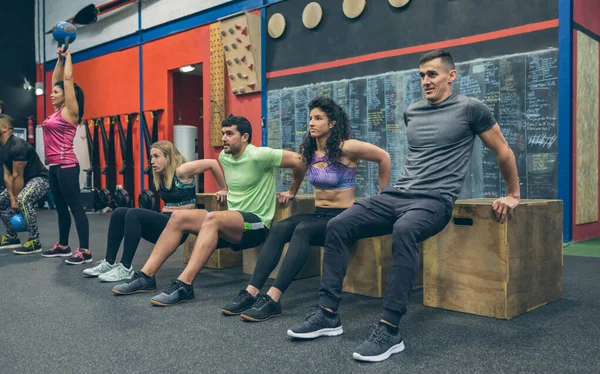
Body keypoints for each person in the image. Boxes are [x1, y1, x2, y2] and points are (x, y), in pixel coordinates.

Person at [287, 49, 521, 363]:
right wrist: (386, 198)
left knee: (405, 229)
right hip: (398, 195)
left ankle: (389, 329)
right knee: (339, 224)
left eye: (432, 74)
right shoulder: (413, 111)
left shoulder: (471, 109)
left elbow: (502, 149)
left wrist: (513, 193)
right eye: (422, 75)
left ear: (451, 76)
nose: (425, 80)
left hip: (434, 201)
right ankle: (328, 314)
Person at [221, 96, 391, 322]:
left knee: (302, 230)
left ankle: (273, 299)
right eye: (310, 118)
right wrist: (292, 190)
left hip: (344, 218)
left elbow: (384, 157)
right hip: (320, 215)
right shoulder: (309, 150)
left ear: (332, 123)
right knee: (281, 228)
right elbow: (299, 168)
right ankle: (251, 291)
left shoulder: (345, 147)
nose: (312, 122)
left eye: (318, 118)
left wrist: (384, 194)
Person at [112, 115, 306, 307]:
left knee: (213, 218)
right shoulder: (225, 157)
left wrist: (291, 190)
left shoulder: (259, 154)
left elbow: (300, 161)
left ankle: (184, 284)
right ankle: (146, 276)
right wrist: (224, 189)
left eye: (230, 134)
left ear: (245, 137)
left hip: (255, 225)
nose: (223, 138)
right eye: (223, 133)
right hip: (232, 223)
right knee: (179, 217)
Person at [82, 140, 228, 282]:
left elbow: (212, 163)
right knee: (119, 212)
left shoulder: (182, 170)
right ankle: (109, 262)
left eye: (156, 156)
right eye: (151, 157)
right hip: (165, 223)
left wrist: (223, 188)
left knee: (134, 214)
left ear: (169, 156)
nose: (152, 161)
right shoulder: (162, 175)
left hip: (178, 226)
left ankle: (126, 268)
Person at [39, 46, 91, 265]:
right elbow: (57, 80)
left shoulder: (71, 111)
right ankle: (63, 245)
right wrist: (59, 60)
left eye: (56, 93)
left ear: (67, 96)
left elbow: (67, 80)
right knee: (60, 207)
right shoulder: (56, 112)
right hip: (54, 166)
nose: (52, 94)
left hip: (68, 165)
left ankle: (86, 251)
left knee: (75, 207)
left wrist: (69, 56)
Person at [0, 114, 50, 253]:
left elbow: (18, 175)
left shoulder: (18, 146)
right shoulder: (3, 147)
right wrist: (11, 198)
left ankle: (34, 241)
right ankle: (12, 237)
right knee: (1, 202)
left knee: (23, 199)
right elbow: (8, 175)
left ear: (5, 128)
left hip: (40, 179)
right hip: (23, 180)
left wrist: (15, 200)